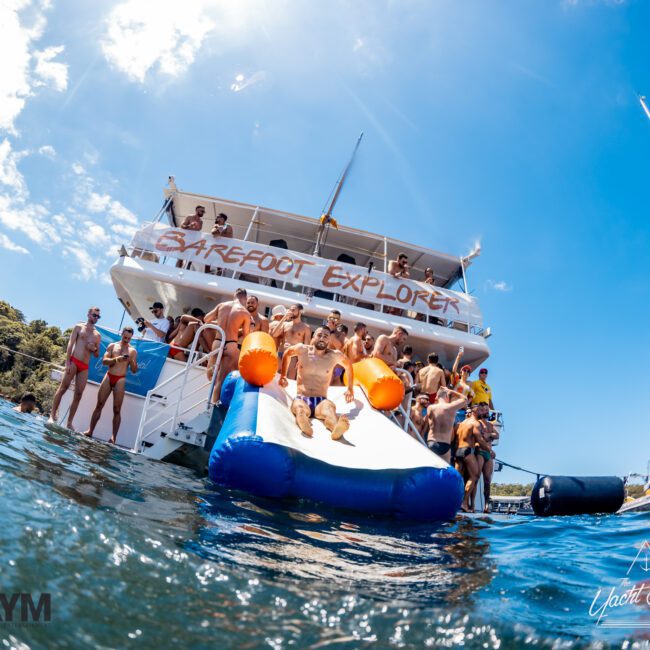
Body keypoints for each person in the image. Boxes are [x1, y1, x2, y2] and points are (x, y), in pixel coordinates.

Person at [279, 327, 354, 440]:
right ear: (313, 337)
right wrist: (283, 376)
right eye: (319, 335)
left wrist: (350, 388)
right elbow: (287, 353)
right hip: (302, 397)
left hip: (321, 400)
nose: (322, 338)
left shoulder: (334, 355)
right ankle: (305, 425)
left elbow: (348, 366)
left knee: (329, 411)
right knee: (299, 408)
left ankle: (336, 429)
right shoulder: (302, 350)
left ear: (329, 341)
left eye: (325, 336)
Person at [49, 307, 102, 430]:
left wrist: (93, 348)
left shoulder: (97, 335)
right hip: (73, 361)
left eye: (98, 316)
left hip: (84, 366)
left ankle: (69, 423)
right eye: (94, 315)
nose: (96, 318)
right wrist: (67, 362)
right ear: (88, 314)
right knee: (63, 388)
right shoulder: (78, 327)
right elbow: (70, 344)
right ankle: (52, 415)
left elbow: (97, 354)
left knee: (78, 394)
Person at [84, 327, 138, 444]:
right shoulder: (112, 346)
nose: (126, 339)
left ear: (131, 338)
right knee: (99, 405)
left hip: (120, 379)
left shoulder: (133, 351)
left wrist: (132, 361)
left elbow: (134, 370)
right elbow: (104, 361)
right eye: (125, 337)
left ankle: (113, 437)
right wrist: (117, 359)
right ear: (122, 334)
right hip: (109, 376)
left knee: (117, 409)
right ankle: (90, 430)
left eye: (129, 338)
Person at [208, 289, 250, 403]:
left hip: (218, 341)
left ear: (234, 295)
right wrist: (237, 329)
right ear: (245, 298)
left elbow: (206, 319)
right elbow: (247, 336)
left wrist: (221, 322)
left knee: (211, 374)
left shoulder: (222, 305)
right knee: (221, 379)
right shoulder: (245, 312)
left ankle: (209, 400)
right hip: (231, 344)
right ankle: (213, 404)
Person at [455, 405, 493, 513]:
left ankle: (456, 503)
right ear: (474, 412)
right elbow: (480, 440)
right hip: (468, 451)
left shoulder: (461, 424)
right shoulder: (475, 423)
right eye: (480, 410)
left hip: (458, 451)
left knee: (458, 478)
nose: (482, 412)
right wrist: (490, 451)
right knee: (474, 476)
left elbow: (456, 440)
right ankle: (464, 502)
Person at [425, 387, 468, 463]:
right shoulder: (451, 407)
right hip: (445, 443)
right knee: (444, 471)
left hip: (432, 441)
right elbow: (465, 399)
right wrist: (452, 392)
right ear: (447, 396)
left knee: (431, 469)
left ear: (437, 397)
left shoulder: (430, 408)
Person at [271, 303, 311, 378]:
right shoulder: (286, 324)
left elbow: (307, 346)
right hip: (281, 354)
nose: (291, 311)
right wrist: (284, 318)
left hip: (293, 356)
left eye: (293, 310)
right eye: (290, 310)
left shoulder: (305, 328)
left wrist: (302, 360)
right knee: (275, 377)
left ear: (300, 311)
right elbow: (275, 334)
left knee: (289, 379)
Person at [473, 402, 499, 513]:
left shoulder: (490, 425)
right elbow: (480, 438)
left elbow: (497, 435)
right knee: (476, 477)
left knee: (487, 480)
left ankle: (486, 505)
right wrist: (489, 436)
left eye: (487, 410)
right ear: (480, 411)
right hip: (480, 452)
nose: (487, 412)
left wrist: (489, 435)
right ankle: (472, 504)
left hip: (488, 455)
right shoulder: (477, 423)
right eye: (484, 410)